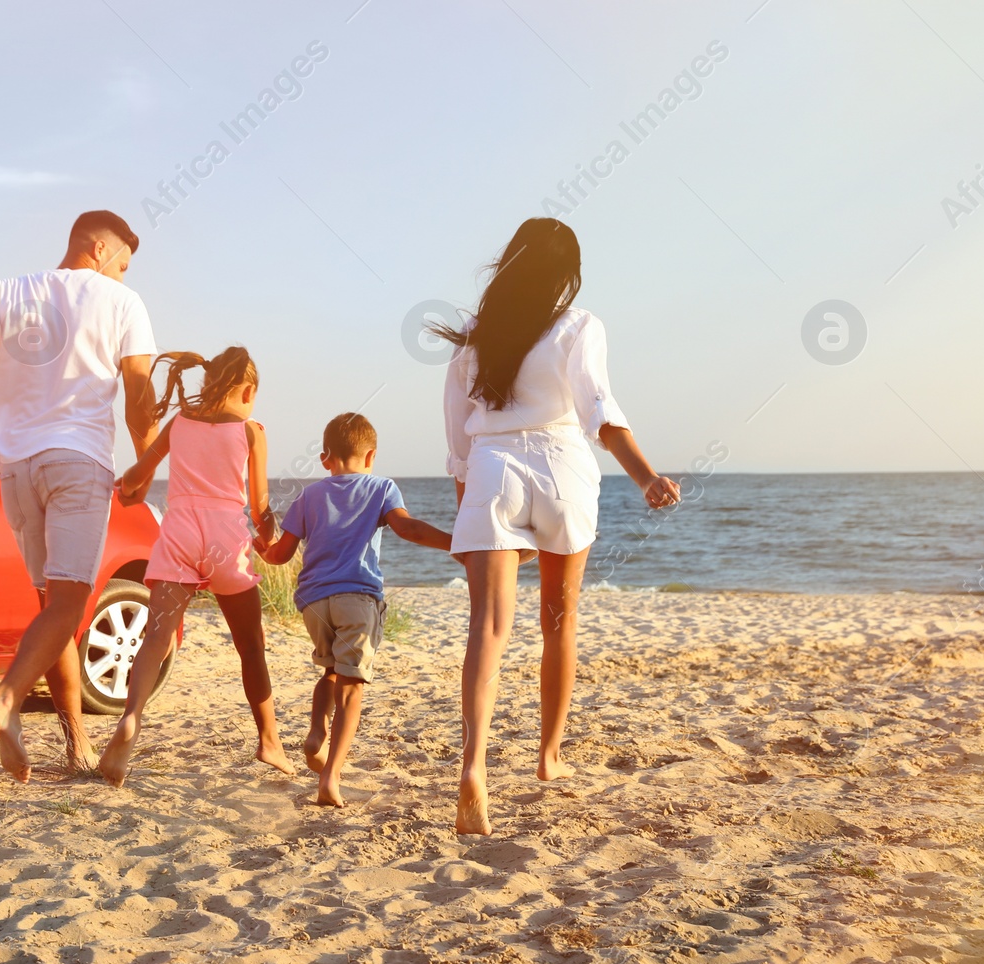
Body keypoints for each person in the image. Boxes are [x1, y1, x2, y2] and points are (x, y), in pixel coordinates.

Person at [435, 217, 680, 836]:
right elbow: (599, 408)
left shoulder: (474, 335)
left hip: (494, 470)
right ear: (566, 272)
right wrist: (646, 476)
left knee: (487, 628)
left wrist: (471, 507)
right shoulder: (578, 324)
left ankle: (474, 767)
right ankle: (548, 757)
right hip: (563, 469)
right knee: (558, 620)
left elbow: (459, 433)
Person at [0, 210, 160, 782]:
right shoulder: (122, 303)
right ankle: (5, 701)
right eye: (124, 265)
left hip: (16, 470)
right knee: (68, 605)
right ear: (101, 249)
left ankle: (76, 745)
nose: (124, 278)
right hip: (76, 462)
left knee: (52, 607)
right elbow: (138, 394)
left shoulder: (7, 290)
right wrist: (146, 465)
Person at [101, 347, 296, 786]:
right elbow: (260, 506)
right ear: (247, 390)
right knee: (250, 645)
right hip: (226, 539)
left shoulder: (179, 423)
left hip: (180, 534)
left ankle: (130, 721)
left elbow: (138, 473)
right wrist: (269, 542)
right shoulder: (251, 431)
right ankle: (269, 740)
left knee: (156, 638)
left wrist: (128, 491)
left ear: (209, 384)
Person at [257, 413, 452, 807]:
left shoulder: (309, 496)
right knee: (352, 686)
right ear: (372, 455)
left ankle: (316, 733)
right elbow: (408, 529)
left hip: (313, 601)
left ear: (325, 457)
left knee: (331, 670)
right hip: (357, 598)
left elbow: (280, 555)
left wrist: (261, 543)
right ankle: (330, 777)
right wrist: (458, 544)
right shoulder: (382, 487)